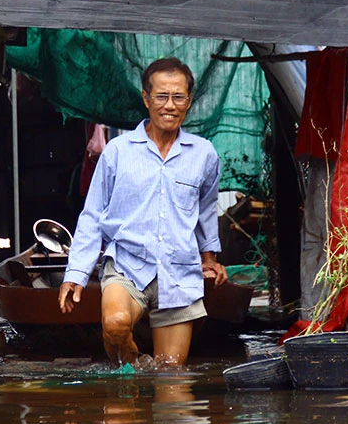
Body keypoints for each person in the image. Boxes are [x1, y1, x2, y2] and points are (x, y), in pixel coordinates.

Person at [57, 57, 227, 367]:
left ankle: (145, 385)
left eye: (178, 97)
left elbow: (204, 211)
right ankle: (132, 364)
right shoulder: (119, 151)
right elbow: (93, 215)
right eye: (161, 96)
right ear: (146, 98)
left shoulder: (203, 154)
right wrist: (76, 275)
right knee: (116, 323)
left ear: (189, 100)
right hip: (127, 265)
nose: (170, 105)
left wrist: (210, 259)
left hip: (178, 269)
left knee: (171, 379)